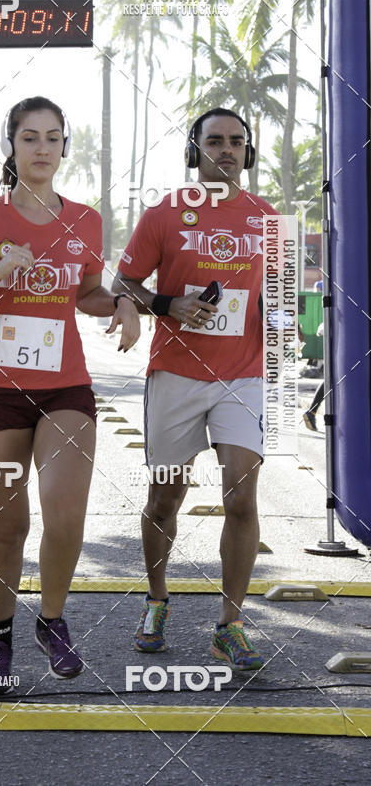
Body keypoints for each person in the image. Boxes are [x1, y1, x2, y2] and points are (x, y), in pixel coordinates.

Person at [0, 96, 139, 693]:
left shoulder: (87, 221)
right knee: (6, 526)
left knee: (65, 508)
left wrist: (123, 302)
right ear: (12, 146)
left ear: (64, 147)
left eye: (53, 137)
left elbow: (89, 294)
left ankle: (52, 621)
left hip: (65, 387)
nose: (42, 148)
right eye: (30, 138)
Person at [114, 108, 279, 672]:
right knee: (166, 497)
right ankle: (157, 600)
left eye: (237, 142)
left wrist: (278, 325)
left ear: (248, 152)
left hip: (243, 376)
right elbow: (123, 282)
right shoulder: (165, 213)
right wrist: (167, 305)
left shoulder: (268, 219)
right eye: (215, 141)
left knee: (242, 497)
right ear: (195, 151)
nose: (227, 150)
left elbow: (277, 301)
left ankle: (229, 625)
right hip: (175, 376)